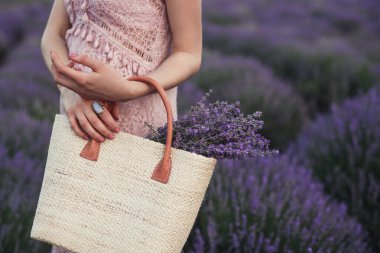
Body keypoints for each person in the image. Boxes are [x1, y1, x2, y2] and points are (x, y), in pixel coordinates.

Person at [40, 0, 202, 252]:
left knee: (129, 237)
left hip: (137, 129)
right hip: (80, 123)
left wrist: (129, 89)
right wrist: (70, 93)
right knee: (71, 235)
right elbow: (53, 34)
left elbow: (189, 54)